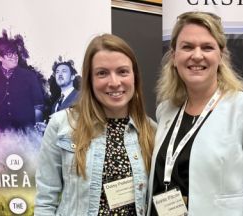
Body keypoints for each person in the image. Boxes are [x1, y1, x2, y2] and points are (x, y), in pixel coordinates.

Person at [147, 12, 243, 215]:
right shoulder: (166, 110)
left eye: (207, 47)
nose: (197, 55)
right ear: (174, 57)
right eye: (187, 47)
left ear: (222, 56)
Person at [35, 34, 155, 216]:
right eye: (102, 73)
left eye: (123, 71)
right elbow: (45, 202)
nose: (114, 82)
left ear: (135, 77)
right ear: (89, 80)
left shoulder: (151, 130)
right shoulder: (61, 125)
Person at [0, 31, 44, 130]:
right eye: (9, 54)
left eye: (15, 53)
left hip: (25, 132)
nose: (15, 57)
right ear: (0, 57)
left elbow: (38, 104)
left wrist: (38, 126)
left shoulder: (29, 75)